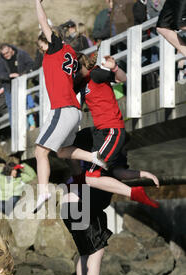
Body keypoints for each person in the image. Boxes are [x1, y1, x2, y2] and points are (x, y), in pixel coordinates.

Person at [34, 0, 107, 213]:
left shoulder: (56, 49)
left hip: (62, 109)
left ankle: (43, 190)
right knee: (63, 152)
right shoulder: (72, 54)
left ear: (51, 40)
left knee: (40, 152)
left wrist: (37, 3)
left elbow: (43, 23)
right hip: (72, 110)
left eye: (42, 46)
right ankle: (93, 157)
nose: (41, 51)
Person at [75, 51, 160, 207]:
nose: (73, 72)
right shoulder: (80, 83)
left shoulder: (96, 74)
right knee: (71, 143)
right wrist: (143, 174)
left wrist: (114, 68)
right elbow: (118, 172)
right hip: (101, 132)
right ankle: (76, 178)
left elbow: (122, 78)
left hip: (111, 130)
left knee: (91, 178)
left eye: (75, 68)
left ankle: (134, 193)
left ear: (81, 65)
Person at [0, 43, 35, 122]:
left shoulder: (21, 54)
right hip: (9, 87)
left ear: (11, 49)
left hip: (22, 84)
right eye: (3, 54)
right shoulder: (1, 60)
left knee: (25, 104)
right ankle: (14, 128)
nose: (5, 55)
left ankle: (30, 125)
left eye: (7, 53)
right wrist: (10, 75)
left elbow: (31, 63)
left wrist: (25, 73)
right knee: (12, 107)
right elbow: (0, 74)